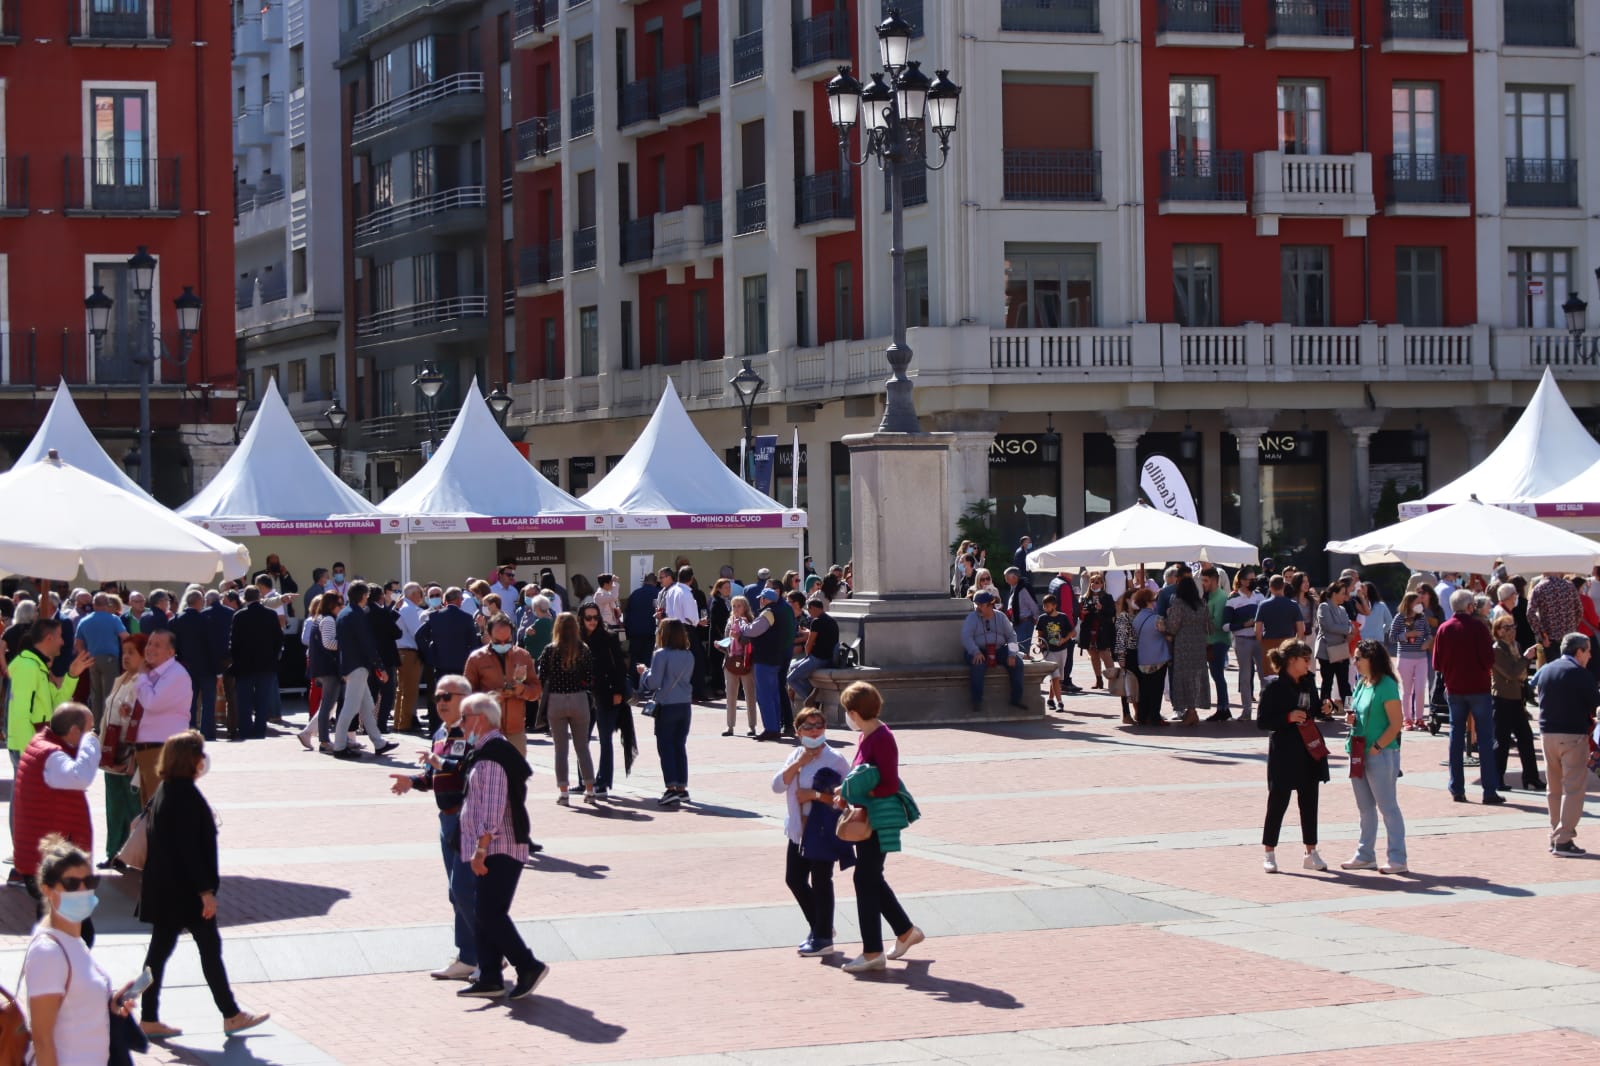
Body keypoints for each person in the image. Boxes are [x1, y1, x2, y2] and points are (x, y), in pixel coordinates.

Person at [136, 730, 269, 1038]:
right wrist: (205, 891)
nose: (204, 760)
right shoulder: (184, 796)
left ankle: (147, 1014)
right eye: (200, 754)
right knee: (207, 949)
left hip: (164, 889)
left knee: (159, 955)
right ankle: (230, 1014)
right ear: (190, 760)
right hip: (184, 892)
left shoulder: (166, 790)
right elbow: (190, 851)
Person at [454, 693, 549, 1000]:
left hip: (500, 848)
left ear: (480, 720)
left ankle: (528, 965)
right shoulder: (486, 751)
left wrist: (481, 849)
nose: (461, 724)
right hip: (492, 847)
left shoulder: (493, 755)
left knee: (490, 913)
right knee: (485, 912)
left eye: (465, 718)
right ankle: (491, 976)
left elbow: (493, 810)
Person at [389, 673, 478, 981]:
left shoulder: (475, 732)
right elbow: (431, 776)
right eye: (438, 696)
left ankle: (484, 954)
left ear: (464, 700)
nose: (440, 702)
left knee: (465, 889)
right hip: (447, 820)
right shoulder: (440, 732)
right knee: (457, 893)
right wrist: (411, 782)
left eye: (447, 697)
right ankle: (469, 956)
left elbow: (472, 771)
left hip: (470, 819)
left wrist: (442, 767)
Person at [22, 835, 134, 1065]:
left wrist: (111, 1004)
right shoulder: (48, 952)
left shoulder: (75, 942)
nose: (83, 890)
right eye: (72, 884)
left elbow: (76, 1008)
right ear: (48, 890)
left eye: (90, 882)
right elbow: (42, 1040)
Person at [836, 682, 923, 973]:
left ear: (855, 712)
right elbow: (861, 775)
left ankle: (873, 952)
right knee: (870, 878)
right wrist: (845, 790)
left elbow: (887, 783)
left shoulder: (882, 738)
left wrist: (858, 793)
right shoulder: (866, 736)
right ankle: (905, 931)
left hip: (877, 819)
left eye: (847, 711)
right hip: (866, 817)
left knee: (866, 879)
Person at [773, 705, 852, 957]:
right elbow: (777, 786)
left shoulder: (836, 759)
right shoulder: (795, 754)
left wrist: (816, 796)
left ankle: (823, 937)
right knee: (794, 879)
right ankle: (820, 926)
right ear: (798, 731)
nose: (815, 730)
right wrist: (798, 763)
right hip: (798, 830)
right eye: (808, 726)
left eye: (819, 725)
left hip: (822, 831)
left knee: (821, 881)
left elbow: (847, 798)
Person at [12, 703, 100, 902]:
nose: (93, 734)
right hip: (54, 863)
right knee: (73, 924)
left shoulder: (42, 745)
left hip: (46, 857)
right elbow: (81, 776)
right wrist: (91, 742)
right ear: (74, 731)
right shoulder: (52, 755)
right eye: (90, 729)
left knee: (54, 921)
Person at [1257, 640, 1330, 873]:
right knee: (1278, 801)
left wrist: (1325, 708)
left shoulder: (1309, 682)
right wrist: (1288, 717)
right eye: (1305, 659)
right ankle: (1269, 852)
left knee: (1309, 801)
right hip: (1284, 750)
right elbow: (1263, 722)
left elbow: (1315, 708)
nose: (1309, 664)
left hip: (1309, 747)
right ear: (1292, 661)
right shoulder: (1273, 686)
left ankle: (1311, 851)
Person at [1340, 640, 1407, 874]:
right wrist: (1352, 720)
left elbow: (1396, 723)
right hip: (1358, 750)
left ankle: (1398, 858)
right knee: (1365, 808)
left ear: (1372, 659)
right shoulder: (1362, 683)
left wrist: (1378, 746)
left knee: (1388, 807)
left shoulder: (1387, 685)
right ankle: (1365, 854)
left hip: (1381, 753)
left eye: (1359, 658)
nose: (1355, 662)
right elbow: (1359, 713)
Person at [1530, 633, 1599, 857]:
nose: (1589, 655)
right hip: (1572, 736)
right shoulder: (1580, 674)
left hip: (1547, 734)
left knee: (1554, 788)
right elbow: (1594, 703)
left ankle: (1556, 833)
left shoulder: (1547, 669)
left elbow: (1532, 688)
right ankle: (1563, 839)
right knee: (1574, 789)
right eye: (1587, 651)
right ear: (1578, 651)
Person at [1434, 588, 1503, 805]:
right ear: (1470, 606)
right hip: (1478, 687)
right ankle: (1489, 790)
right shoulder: (1478, 627)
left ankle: (1457, 788)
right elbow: (1488, 658)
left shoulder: (1444, 629)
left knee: (1456, 738)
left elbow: (1437, 663)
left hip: (1455, 688)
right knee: (1484, 738)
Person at [8, 618, 92, 773]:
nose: (62, 642)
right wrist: (33, 751)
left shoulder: (37, 666)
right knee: (26, 797)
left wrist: (72, 675)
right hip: (27, 748)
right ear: (49, 638)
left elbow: (57, 703)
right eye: (60, 636)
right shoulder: (27, 667)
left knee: (29, 797)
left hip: (33, 746)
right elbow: (21, 714)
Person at [99, 634, 148, 870]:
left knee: (132, 806)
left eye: (132, 652)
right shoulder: (122, 679)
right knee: (114, 805)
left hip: (129, 752)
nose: (126, 657)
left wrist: (133, 757)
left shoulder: (144, 682)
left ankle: (133, 855)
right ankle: (113, 852)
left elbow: (142, 720)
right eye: (124, 652)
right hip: (111, 750)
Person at [536, 613, 595, 804]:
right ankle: (590, 790)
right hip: (579, 698)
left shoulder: (550, 650)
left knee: (560, 749)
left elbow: (542, 675)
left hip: (556, 699)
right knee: (582, 748)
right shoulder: (583, 649)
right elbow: (590, 675)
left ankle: (563, 792)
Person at [332, 582, 395, 761]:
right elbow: (367, 643)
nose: (367, 598)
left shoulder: (344, 613)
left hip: (349, 664)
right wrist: (380, 667)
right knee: (350, 708)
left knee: (367, 706)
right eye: (366, 596)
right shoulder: (357, 615)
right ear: (363, 596)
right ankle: (339, 746)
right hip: (358, 666)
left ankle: (379, 743)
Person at [637, 619, 696, 806]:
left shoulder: (661, 654)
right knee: (680, 745)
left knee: (666, 746)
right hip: (684, 704)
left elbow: (654, 682)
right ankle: (682, 787)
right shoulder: (689, 655)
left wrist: (644, 673)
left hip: (667, 704)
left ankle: (670, 787)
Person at [133, 631, 195, 808]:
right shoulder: (153, 673)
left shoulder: (175, 674)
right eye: (149, 643)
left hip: (163, 749)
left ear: (171, 652)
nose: (150, 648)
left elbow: (152, 702)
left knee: (161, 808)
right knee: (150, 808)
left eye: (157, 645)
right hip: (149, 748)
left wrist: (142, 676)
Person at [466, 615, 538, 757]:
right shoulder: (476, 658)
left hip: (515, 730)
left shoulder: (523, 656)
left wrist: (522, 690)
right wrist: (489, 698)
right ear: (489, 635)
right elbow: (465, 695)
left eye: (508, 641)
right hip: (486, 730)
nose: (503, 644)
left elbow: (536, 690)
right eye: (498, 641)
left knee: (516, 776)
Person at [580, 603, 632, 798]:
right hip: (584, 695)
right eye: (588, 618)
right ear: (581, 619)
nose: (592, 621)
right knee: (581, 739)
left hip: (606, 693)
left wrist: (618, 691)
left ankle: (603, 781)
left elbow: (619, 665)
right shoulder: (578, 640)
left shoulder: (608, 638)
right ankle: (584, 779)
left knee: (605, 740)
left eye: (595, 617)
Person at [1491, 613, 1544, 792]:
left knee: (1526, 738)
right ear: (1498, 631)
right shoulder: (1497, 649)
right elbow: (1512, 672)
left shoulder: (1516, 646)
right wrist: (1526, 658)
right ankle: (1497, 777)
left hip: (1517, 699)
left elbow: (1519, 674)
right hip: (1502, 699)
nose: (1511, 631)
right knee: (1502, 740)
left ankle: (1531, 777)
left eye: (1513, 627)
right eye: (1507, 628)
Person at [228, 586, 281, 741]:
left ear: (245, 599)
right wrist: (274, 656)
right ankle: (259, 731)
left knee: (244, 701)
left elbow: (234, 642)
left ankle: (245, 730)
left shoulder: (239, 616)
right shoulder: (271, 615)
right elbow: (278, 639)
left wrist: (235, 660)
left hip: (244, 665)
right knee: (262, 701)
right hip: (266, 665)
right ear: (259, 598)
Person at [172, 590, 224, 741]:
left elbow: (173, 645)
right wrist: (218, 672)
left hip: (185, 668)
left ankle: (190, 731)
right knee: (208, 702)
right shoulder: (206, 620)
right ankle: (208, 733)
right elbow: (213, 647)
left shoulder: (176, 620)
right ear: (199, 602)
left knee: (190, 701)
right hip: (206, 668)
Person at [961, 590, 1025, 710]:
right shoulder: (972, 617)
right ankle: (977, 701)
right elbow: (966, 637)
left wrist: (1012, 654)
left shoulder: (1001, 617)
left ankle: (1016, 700)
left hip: (998, 649)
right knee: (978, 665)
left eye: (981, 605)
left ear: (990, 604)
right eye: (976, 604)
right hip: (979, 650)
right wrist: (976, 652)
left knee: (1017, 663)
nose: (978, 607)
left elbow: (1012, 636)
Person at [743, 588, 792, 740]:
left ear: (765, 599)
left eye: (761, 598)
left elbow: (754, 630)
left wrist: (744, 627)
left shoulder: (768, 613)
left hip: (765, 658)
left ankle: (771, 728)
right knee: (774, 694)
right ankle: (775, 726)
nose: (760, 601)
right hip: (776, 657)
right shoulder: (783, 610)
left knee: (765, 695)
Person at [71, 593, 125, 730]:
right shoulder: (114, 619)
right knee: (109, 691)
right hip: (110, 659)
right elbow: (125, 637)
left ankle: (96, 724)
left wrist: (86, 657)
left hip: (91, 659)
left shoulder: (84, 621)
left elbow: (78, 644)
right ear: (107, 605)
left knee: (95, 693)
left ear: (94, 605)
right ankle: (108, 724)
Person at [1163, 576, 1212, 727]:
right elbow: (1209, 626)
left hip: (1183, 645)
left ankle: (1190, 712)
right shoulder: (1202, 604)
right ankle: (1192, 711)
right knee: (1196, 677)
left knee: (1184, 677)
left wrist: (1165, 619)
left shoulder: (1178, 603)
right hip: (1199, 644)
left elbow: (1173, 626)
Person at [298, 592, 343, 752]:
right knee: (327, 706)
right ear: (332, 605)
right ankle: (324, 740)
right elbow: (329, 643)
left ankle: (309, 733)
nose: (342, 607)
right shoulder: (329, 620)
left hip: (322, 668)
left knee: (327, 705)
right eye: (339, 604)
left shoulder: (318, 619)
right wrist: (346, 643)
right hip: (329, 669)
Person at [1389, 591, 1433, 731]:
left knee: (1420, 690)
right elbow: (1392, 637)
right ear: (1409, 603)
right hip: (1405, 657)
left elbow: (1428, 633)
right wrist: (1407, 635)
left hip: (1421, 658)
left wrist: (1428, 641)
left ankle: (1419, 718)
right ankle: (1407, 719)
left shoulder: (1422, 617)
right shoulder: (1399, 617)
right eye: (1417, 602)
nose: (1420, 605)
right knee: (1407, 691)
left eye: (1420, 602)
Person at [787, 596, 838, 709]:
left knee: (790, 679)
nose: (809, 613)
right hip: (828, 658)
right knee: (792, 667)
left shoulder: (816, 621)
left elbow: (809, 643)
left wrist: (808, 655)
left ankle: (811, 700)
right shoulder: (832, 621)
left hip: (817, 658)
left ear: (814, 608)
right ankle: (811, 691)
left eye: (809, 610)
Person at [1528, 569, 1583, 670]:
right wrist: (1572, 627)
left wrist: (1542, 635)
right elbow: (1579, 611)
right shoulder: (1570, 586)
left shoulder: (1540, 587)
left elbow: (1530, 613)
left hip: (1550, 640)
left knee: (1554, 671)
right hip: (1569, 639)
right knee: (1569, 670)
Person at [1312, 581, 1354, 707]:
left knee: (1345, 684)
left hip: (1341, 650)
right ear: (1334, 594)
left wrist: (1347, 629)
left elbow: (1348, 624)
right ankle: (1325, 710)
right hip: (1327, 651)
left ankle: (1350, 710)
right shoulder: (1324, 606)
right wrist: (1347, 629)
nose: (1344, 596)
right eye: (1342, 593)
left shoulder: (1342, 609)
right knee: (1327, 683)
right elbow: (1330, 626)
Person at [1254, 574, 1305, 675]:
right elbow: (1301, 629)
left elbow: (1257, 630)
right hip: (1288, 644)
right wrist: (1296, 645)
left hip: (1269, 644)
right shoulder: (1293, 605)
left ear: (1270, 587)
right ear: (1284, 586)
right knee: (1287, 674)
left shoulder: (1263, 605)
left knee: (1271, 676)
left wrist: (1261, 643)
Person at [722, 594, 758, 736]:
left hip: (746, 662)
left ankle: (752, 726)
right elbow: (727, 640)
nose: (736, 609)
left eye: (739, 606)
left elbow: (750, 642)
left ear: (745, 607)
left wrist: (739, 637)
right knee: (730, 695)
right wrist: (721, 645)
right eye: (734, 606)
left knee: (750, 694)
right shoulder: (730, 621)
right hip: (730, 661)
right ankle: (730, 726)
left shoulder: (749, 622)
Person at [1200, 567, 1232, 721]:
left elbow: (1217, 623)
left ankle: (1223, 708)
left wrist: (1202, 620)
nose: (1203, 583)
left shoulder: (1220, 598)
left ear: (1214, 580)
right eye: (1202, 580)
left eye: (1205, 580)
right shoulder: (1210, 596)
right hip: (1211, 641)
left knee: (1218, 675)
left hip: (1218, 641)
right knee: (1217, 675)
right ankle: (1223, 707)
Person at [395, 582, 427, 734]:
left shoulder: (404, 607)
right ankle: (404, 723)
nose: (422, 596)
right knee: (409, 690)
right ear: (414, 594)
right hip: (408, 652)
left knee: (402, 689)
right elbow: (417, 632)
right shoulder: (409, 609)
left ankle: (400, 722)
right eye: (420, 593)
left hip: (403, 651)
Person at [1034, 595, 1075, 713]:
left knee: (1057, 678)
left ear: (1054, 606)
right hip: (1048, 651)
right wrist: (1040, 644)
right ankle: (1060, 702)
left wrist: (1064, 640)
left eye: (1047, 606)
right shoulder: (1042, 619)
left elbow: (1072, 632)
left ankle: (1050, 699)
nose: (1045, 608)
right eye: (1044, 606)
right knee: (1055, 676)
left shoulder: (1063, 617)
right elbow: (1040, 635)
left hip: (1062, 650)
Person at [1077, 572, 1115, 689]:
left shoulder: (1107, 597)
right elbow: (1080, 615)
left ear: (1102, 584)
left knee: (1105, 654)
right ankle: (1098, 680)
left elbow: (1112, 613)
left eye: (1097, 582)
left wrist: (1101, 608)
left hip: (1102, 629)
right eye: (1092, 582)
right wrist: (1082, 613)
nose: (1094, 584)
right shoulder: (1084, 597)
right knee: (1093, 655)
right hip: (1089, 630)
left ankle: (1113, 680)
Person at [624, 571, 661, 678]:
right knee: (649, 659)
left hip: (635, 633)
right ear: (655, 582)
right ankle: (646, 685)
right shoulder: (658, 594)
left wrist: (627, 631)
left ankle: (633, 685)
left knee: (635, 659)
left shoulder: (634, 594)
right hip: (651, 632)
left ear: (644, 581)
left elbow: (628, 613)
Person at [1002, 567, 1039, 650]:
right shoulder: (1015, 587)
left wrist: (1035, 619)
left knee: (1022, 649)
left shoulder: (1023, 589)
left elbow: (1033, 606)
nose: (1006, 581)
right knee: (1017, 648)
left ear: (1015, 578)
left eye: (1007, 578)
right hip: (1017, 622)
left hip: (1024, 623)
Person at [517, 594, 555, 665]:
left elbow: (527, 640)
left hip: (537, 658)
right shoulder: (552, 620)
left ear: (537, 607)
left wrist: (527, 633)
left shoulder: (539, 622)